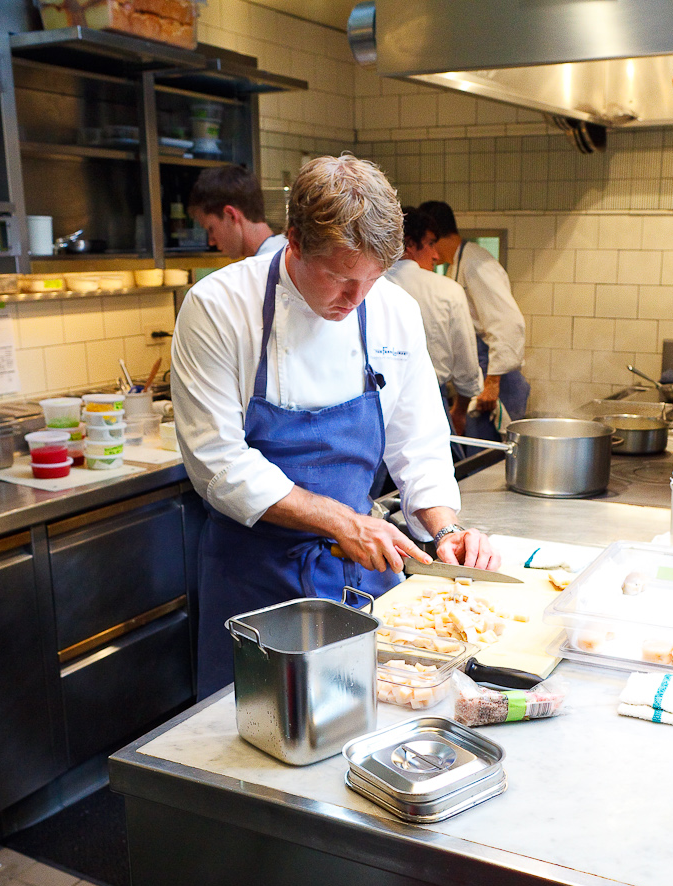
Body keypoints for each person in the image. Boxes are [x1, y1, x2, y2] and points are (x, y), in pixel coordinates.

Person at [171, 155, 501, 697]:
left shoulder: (392, 309)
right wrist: (343, 522)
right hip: (256, 583)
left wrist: (445, 530)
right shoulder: (220, 307)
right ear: (294, 242)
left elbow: (418, 440)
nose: (357, 299)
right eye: (341, 279)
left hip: (361, 579)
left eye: (371, 280)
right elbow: (218, 464)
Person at [417, 200, 530, 441]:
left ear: (434, 234)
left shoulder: (476, 262)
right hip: (483, 376)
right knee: (481, 460)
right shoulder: (457, 264)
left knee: (495, 463)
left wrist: (492, 382)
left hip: (498, 381)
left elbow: (508, 322)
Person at [383, 206, 481, 433]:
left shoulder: (366, 287)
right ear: (408, 243)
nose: (436, 256)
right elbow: (466, 367)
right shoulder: (447, 290)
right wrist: (460, 410)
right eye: (430, 244)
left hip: (375, 406)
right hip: (428, 403)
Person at [187, 164, 287, 260]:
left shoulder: (268, 266)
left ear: (231, 216)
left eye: (210, 229)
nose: (211, 242)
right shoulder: (286, 252)